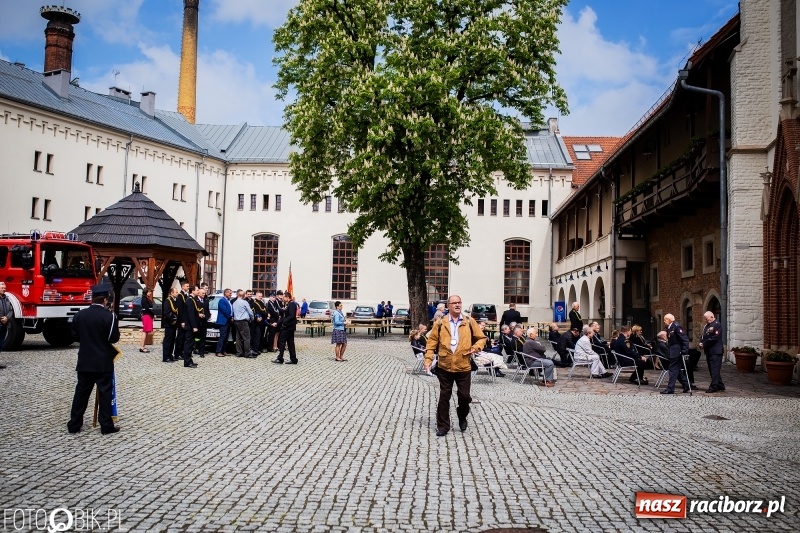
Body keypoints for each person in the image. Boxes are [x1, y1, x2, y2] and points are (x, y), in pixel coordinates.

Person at [424, 295, 486, 436]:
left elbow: (482, 338)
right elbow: (431, 343)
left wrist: (476, 347)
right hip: (445, 366)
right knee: (444, 397)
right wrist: (428, 360)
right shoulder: (440, 323)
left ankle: (462, 415)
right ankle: (443, 426)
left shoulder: (469, 321)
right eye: (454, 303)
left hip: (463, 366)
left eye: (459, 302)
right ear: (448, 306)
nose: (457, 305)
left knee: (464, 396)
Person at [67, 284, 120, 435]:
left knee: (81, 394)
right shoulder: (110, 316)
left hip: (85, 360)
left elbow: (75, 336)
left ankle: (74, 424)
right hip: (103, 361)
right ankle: (106, 425)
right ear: (105, 300)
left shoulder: (80, 315)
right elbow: (113, 338)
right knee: (105, 394)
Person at [662, 314, 691, 394]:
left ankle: (670, 388)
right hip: (673, 351)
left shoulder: (676, 327)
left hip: (677, 351)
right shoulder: (670, 327)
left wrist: (684, 351)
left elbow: (684, 339)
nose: (664, 321)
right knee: (676, 370)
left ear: (669, 320)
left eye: (665, 319)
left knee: (672, 370)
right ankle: (686, 385)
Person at [699, 311, 725, 393]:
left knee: (714, 369)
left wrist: (704, 344)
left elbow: (714, 338)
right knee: (712, 369)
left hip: (715, 351)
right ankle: (720, 385)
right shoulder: (707, 325)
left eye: (707, 319)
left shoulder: (717, 325)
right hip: (709, 351)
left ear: (711, 316)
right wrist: (701, 342)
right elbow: (703, 336)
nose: (706, 320)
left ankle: (714, 386)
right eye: (705, 319)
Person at [274, 291, 298, 364]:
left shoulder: (292, 304)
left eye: (284, 297)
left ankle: (280, 358)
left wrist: (284, 322)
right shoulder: (288, 305)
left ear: (287, 297)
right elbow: (284, 316)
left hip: (288, 327)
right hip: (288, 326)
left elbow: (291, 316)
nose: (282, 298)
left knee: (282, 341)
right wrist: (278, 323)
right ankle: (293, 359)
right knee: (290, 343)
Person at [182, 285, 200, 367]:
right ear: (192, 291)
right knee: (188, 344)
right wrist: (194, 326)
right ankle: (187, 362)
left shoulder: (193, 299)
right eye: (197, 290)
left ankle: (189, 360)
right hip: (190, 326)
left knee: (191, 343)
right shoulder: (189, 300)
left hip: (192, 325)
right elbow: (190, 315)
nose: (198, 291)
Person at [232, 290, 254, 358]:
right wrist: (252, 318)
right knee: (247, 338)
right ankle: (247, 353)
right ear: (243, 295)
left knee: (238, 338)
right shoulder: (244, 302)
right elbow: (250, 311)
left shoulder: (234, 303)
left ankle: (239, 352)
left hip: (236, 321)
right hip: (243, 321)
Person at [173, 281, 190, 361]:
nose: (188, 287)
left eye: (188, 286)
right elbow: (180, 309)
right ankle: (177, 353)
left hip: (185, 319)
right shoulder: (180, 296)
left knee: (183, 337)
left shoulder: (186, 295)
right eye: (187, 286)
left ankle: (182, 352)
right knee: (180, 337)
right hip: (181, 320)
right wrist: (182, 321)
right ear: (183, 287)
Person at [162, 287, 179, 363]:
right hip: (169, 324)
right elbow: (166, 313)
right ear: (172, 293)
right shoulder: (168, 301)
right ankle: (166, 357)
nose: (177, 293)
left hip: (174, 324)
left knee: (172, 340)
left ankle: (170, 355)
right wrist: (172, 320)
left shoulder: (175, 300)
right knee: (168, 340)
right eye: (176, 292)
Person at [214, 288, 234, 357]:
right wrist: (230, 317)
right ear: (225, 293)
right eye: (229, 293)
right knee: (222, 337)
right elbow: (224, 311)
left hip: (228, 321)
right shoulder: (222, 300)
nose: (230, 294)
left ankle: (224, 351)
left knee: (226, 337)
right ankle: (218, 351)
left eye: (231, 293)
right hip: (223, 321)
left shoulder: (229, 301)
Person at [0, 281, 14, 369]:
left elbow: (11, 310)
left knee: (0, 344)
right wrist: (1, 318)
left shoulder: (6, 299)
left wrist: (7, 318)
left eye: (4, 288)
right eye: (2, 288)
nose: (4, 289)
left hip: (4, 325)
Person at [138, 288, 155, 353]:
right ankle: (142, 347)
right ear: (146, 292)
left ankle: (143, 346)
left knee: (146, 331)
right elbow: (147, 308)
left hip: (148, 316)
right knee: (145, 331)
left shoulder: (147, 299)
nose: (150, 293)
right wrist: (153, 314)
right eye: (149, 292)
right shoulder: (144, 299)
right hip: (146, 316)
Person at [250, 291, 267, 356]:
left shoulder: (262, 302)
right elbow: (257, 311)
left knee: (261, 336)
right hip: (255, 322)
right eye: (259, 296)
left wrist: (266, 314)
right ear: (256, 296)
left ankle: (259, 348)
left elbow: (264, 310)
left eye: (261, 296)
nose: (260, 297)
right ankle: (255, 349)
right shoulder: (254, 303)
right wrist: (265, 314)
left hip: (262, 322)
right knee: (256, 336)